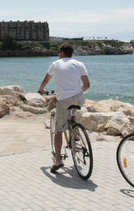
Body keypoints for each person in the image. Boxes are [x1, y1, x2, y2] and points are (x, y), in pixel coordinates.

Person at [37, 43, 90, 173]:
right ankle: (75, 132)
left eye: (58, 52)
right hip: (78, 97)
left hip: (64, 100)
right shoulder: (79, 64)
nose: (58, 54)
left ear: (62, 52)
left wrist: (41, 89)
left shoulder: (56, 64)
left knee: (58, 130)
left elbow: (46, 79)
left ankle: (58, 161)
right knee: (73, 110)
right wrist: (78, 91)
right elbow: (87, 85)